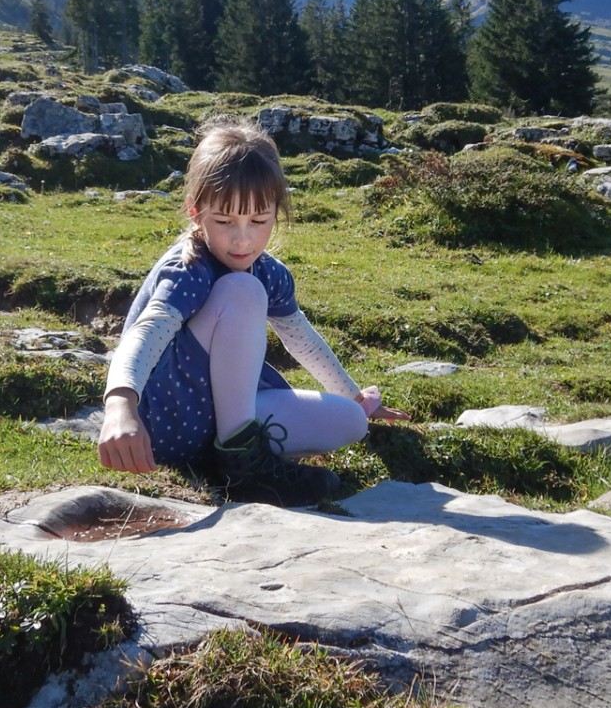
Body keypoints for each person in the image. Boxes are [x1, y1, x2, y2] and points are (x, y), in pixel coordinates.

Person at [98, 115, 408, 506]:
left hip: (225, 421)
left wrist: (357, 399)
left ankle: (225, 459)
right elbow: (146, 331)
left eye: (259, 220)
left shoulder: (268, 272)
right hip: (167, 424)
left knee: (350, 421)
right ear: (196, 212)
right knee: (243, 290)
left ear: (276, 212)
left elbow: (301, 338)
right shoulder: (188, 268)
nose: (242, 239)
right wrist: (121, 406)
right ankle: (246, 468)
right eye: (224, 221)